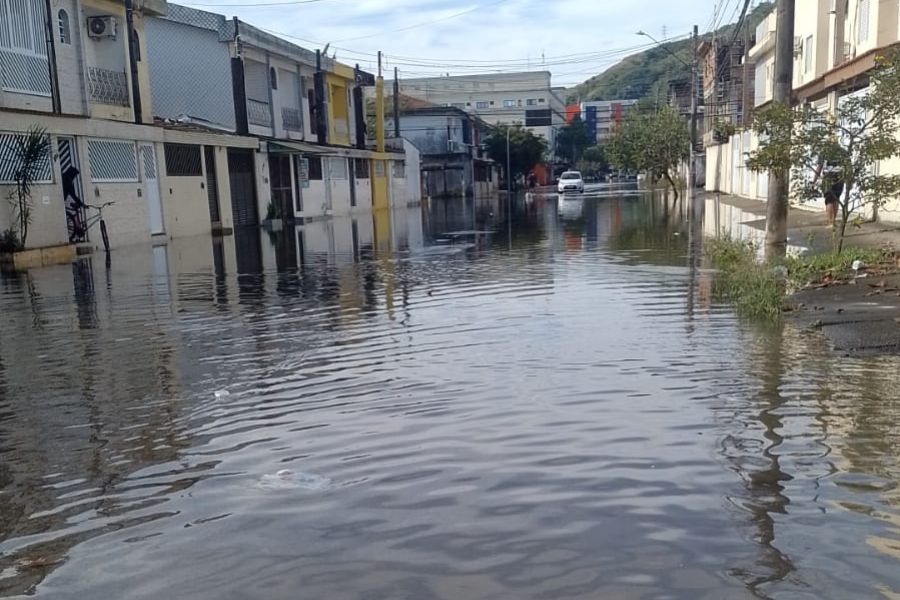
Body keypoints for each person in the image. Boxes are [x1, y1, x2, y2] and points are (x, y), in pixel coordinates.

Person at [814, 148, 846, 228]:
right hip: (839, 177)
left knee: (829, 200)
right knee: (836, 199)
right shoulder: (842, 152)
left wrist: (814, 180)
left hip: (828, 177)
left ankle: (830, 222)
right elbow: (847, 166)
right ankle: (834, 220)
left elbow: (819, 168)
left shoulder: (824, 152)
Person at [62, 166, 85, 242]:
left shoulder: (64, 177)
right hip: (62, 200)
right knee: (72, 214)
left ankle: (77, 231)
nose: (74, 177)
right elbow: (73, 194)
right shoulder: (67, 180)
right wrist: (81, 203)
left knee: (73, 212)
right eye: (74, 176)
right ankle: (76, 231)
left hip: (63, 199)